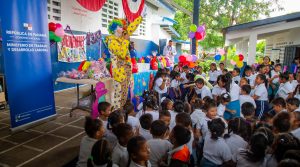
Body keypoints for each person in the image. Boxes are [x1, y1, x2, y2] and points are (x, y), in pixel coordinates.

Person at [106, 16, 143, 109]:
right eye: (119, 26)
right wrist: (126, 41)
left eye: (122, 26)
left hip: (126, 71)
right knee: (118, 96)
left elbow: (130, 28)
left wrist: (140, 17)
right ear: (114, 29)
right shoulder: (111, 41)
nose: (122, 28)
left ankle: (120, 115)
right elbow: (121, 54)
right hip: (119, 72)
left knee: (124, 95)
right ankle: (116, 115)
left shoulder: (123, 37)